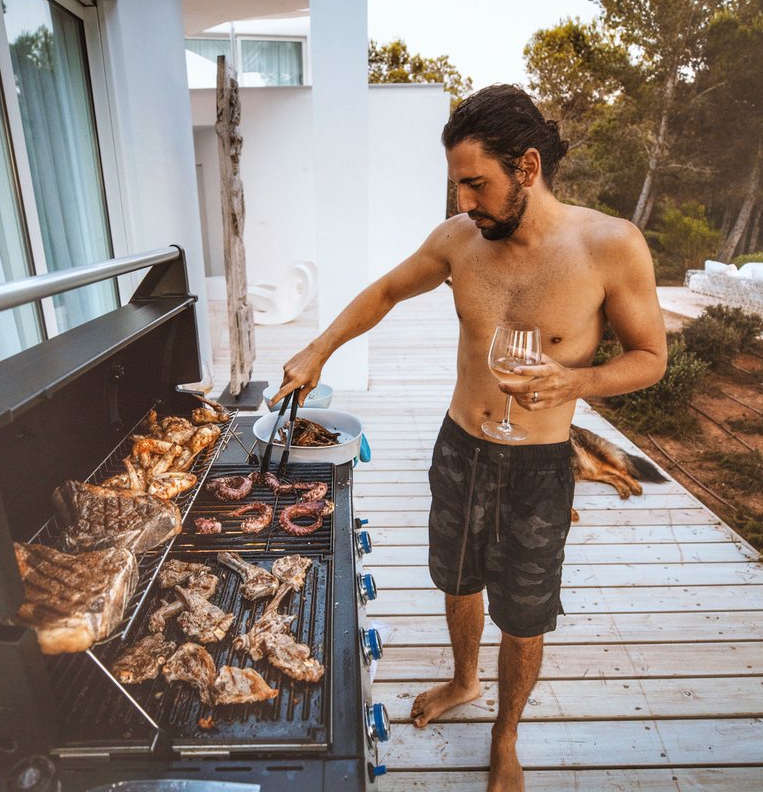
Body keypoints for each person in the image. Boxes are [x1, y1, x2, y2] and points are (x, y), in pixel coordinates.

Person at [271, 84, 667, 791]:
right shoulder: (459, 240)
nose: (463, 200)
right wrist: (318, 349)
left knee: (524, 612)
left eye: (476, 183)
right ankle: (463, 680)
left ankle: (505, 732)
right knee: (457, 581)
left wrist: (574, 382)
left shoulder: (609, 245)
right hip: (459, 447)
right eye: (456, 183)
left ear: (527, 167)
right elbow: (386, 292)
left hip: (539, 464)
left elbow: (651, 358)